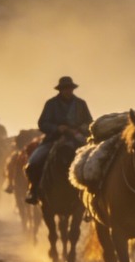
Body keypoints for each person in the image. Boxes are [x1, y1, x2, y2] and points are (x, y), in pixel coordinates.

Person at [24, 76, 93, 205]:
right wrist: (57, 128)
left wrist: (79, 129)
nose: (68, 91)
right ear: (60, 90)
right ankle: (33, 191)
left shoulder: (80, 104)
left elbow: (89, 122)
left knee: (92, 161)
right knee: (33, 162)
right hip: (53, 139)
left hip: (77, 139)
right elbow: (42, 123)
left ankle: (92, 194)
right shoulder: (51, 104)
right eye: (65, 88)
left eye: (70, 88)